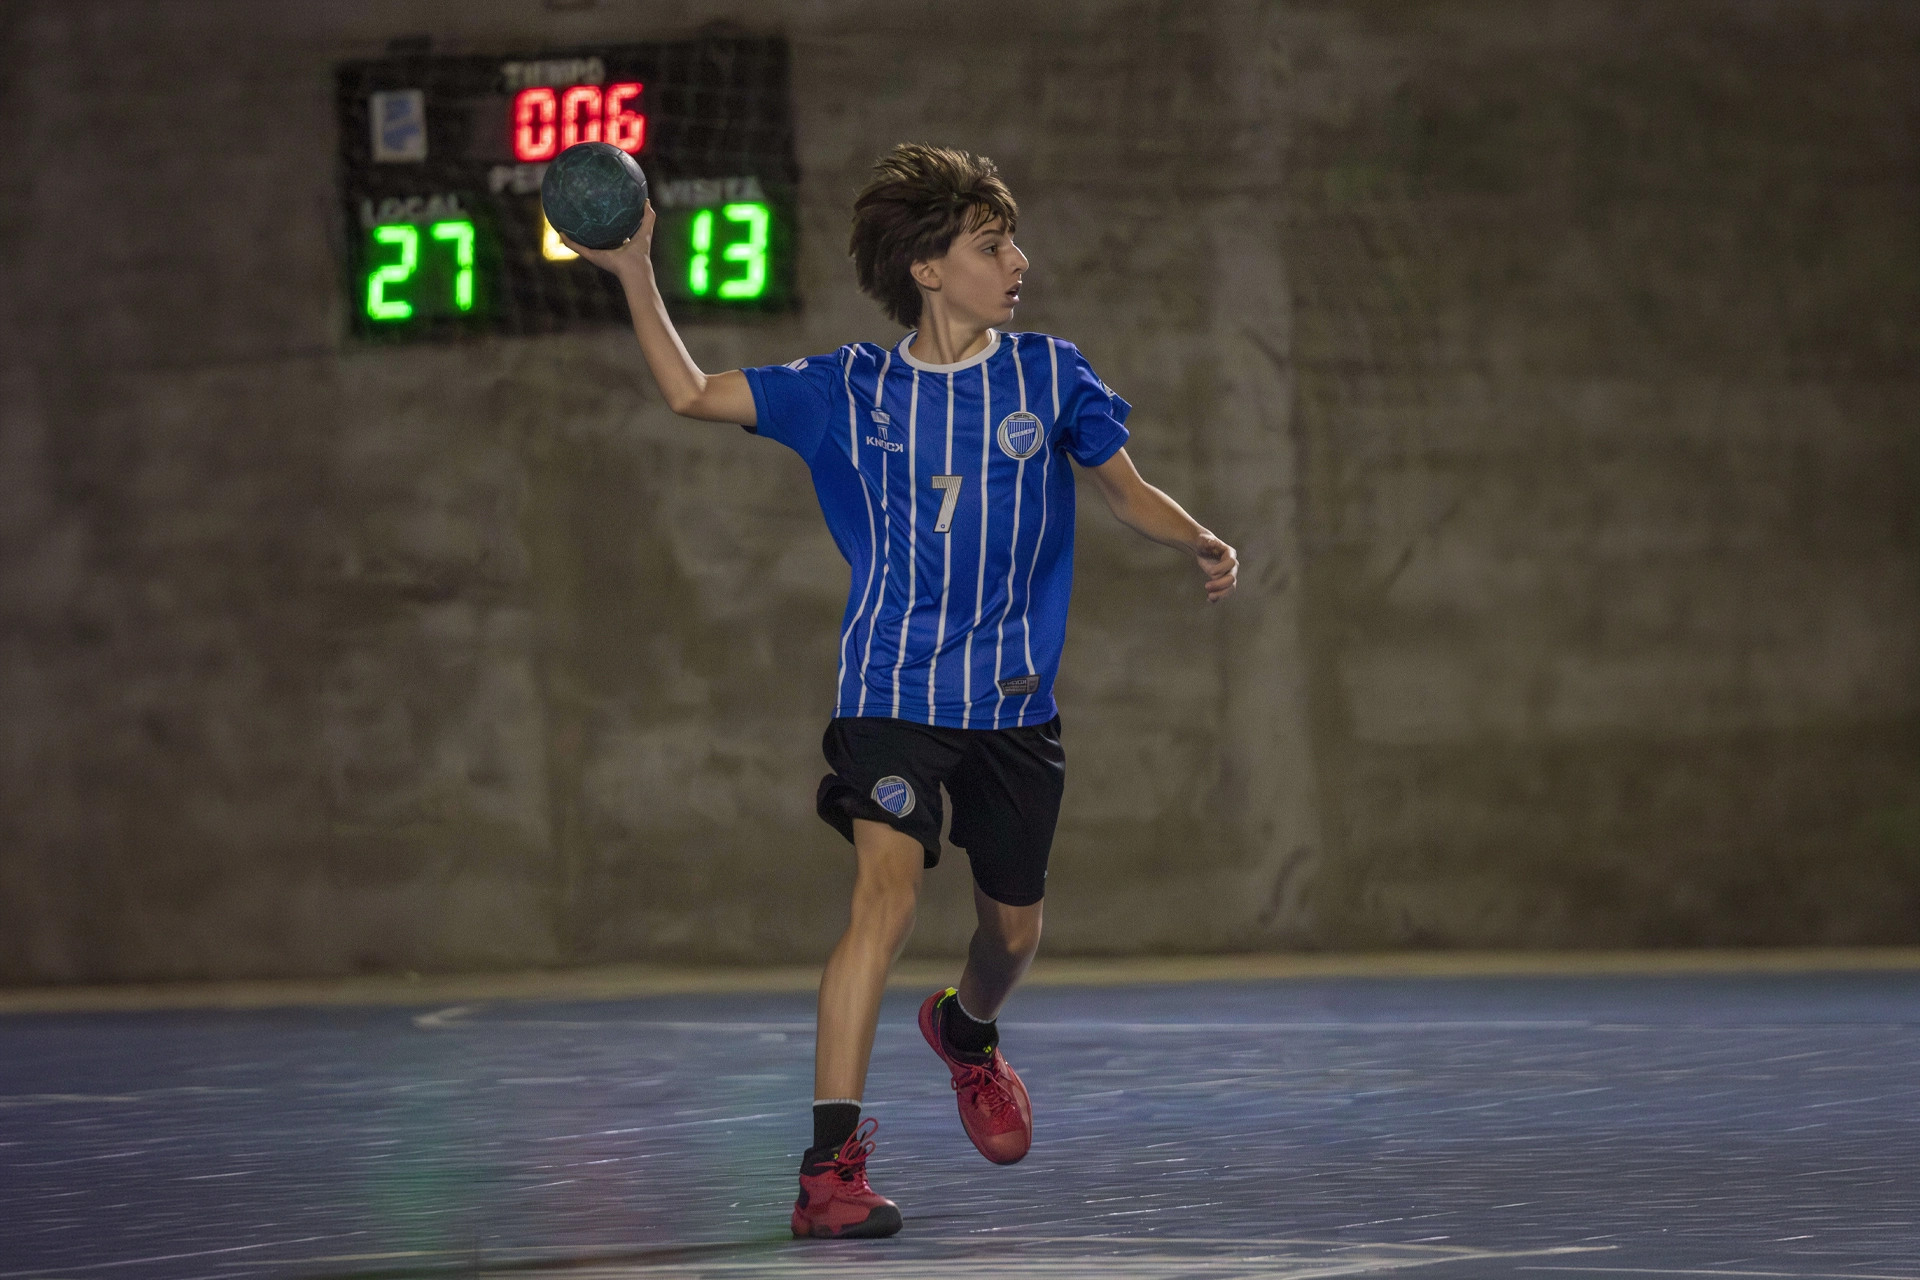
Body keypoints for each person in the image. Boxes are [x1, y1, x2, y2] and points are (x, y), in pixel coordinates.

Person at [565, 143, 1238, 1239]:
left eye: (1010, 240)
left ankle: (965, 1032)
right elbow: (689, 392)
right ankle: (827, 1171)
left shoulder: (1050, 374)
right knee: (882, 896)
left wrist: (1198, 535)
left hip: (1015, 707)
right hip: (892, 695)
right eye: (991, 244)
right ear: (928, 267)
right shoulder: (846, 391)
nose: (1017, 258)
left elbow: (1124, 490)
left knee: (1011, 936)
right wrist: (636, 270)